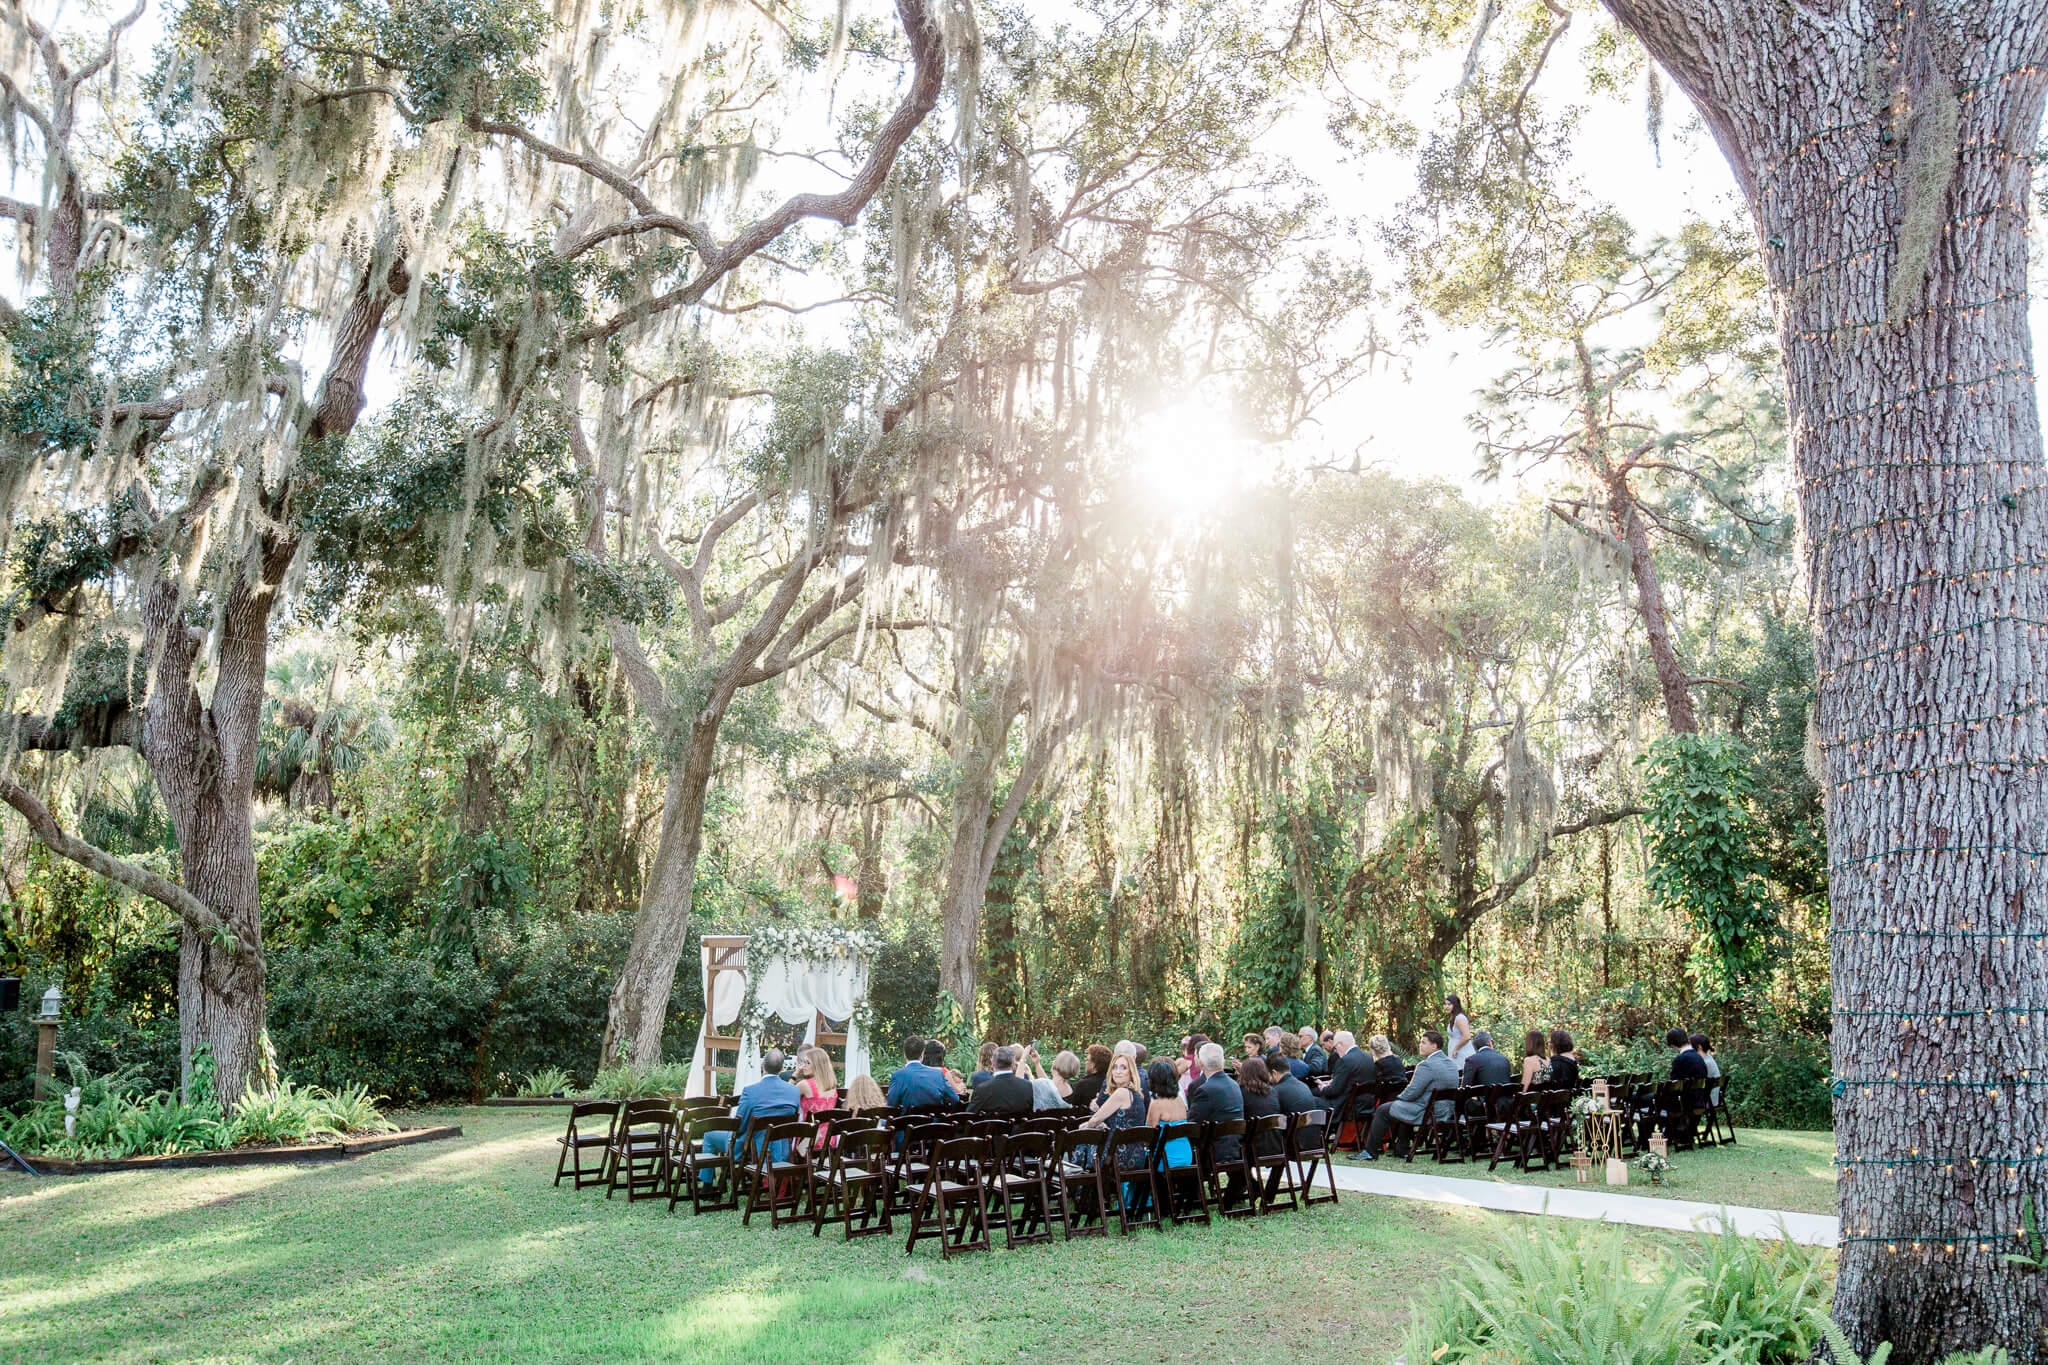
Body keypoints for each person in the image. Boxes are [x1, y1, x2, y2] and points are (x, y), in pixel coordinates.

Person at [1360, 1031, 1458, 1160]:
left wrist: (1398, 1099)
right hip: (1447, 1110)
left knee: (1383, 1110)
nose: (1420, 1045)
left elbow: (1412, 1092)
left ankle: (1370, 1152)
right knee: (1404, 1108)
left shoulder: (1426, 1065)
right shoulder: (1451, 1063)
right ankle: (1402, 1149)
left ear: (1434, 1046)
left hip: (1429, 1111)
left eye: (1423, 1043)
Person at [1188, 1042, 1247, 1206]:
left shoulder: (1205, 1090)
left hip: (1214, 1151)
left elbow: (1193, 1124)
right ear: (1222, 1062)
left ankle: (1189, 1196)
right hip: (1236, 1145)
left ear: (1200, 1063)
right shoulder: (1234, 1084)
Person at [1079, 1053, 1148, 1174]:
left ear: (1131, 1072)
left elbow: (1095, 1119)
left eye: (1123, 1068)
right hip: (1136, 1156)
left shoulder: (1121, 1092)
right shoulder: (1137, 1095)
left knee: (1082, 1141)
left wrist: (1084, 1127)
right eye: (1115, 1067)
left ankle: (1077, 1187)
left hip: (1117, 1158)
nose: (1118, 1071)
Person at [733, 1049, 803, 1160]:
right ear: (781, 1068)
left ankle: (704, 1177)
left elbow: (740, 1126)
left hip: (753, 1148)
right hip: (782, 1150)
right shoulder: (794, 1091)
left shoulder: (750, 1091)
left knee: (710, 1136)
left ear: (762, 1065)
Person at [887, 1040, 961, 1110]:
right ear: (922, 1054)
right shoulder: (939, 1074)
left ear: (904, 1054)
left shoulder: (898, 1075)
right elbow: (955, 1099)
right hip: (934, 1122)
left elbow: (891, 1104)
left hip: (908, 1122)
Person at [1320, 1030, 1376, 1121]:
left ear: (1340, 1044)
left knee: (1310, 1101)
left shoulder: (1345, 1060)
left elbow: (1334, 1091)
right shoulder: (1368, 1057)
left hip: (1345, 1107)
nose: (1336, 1051)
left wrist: (1323, 1087)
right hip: (1366, 1104)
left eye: (1335, 1047)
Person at [970, 1046, 1035, 1114]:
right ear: (1013, 1064)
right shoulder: (1027, 1086)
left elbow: (970, 1115)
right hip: (1020, 1124)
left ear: (992, 1063)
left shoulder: (982, 1089)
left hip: (992, 1124)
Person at [1268, 1050, 1319, 1115]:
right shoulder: (1304, 1086)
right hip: (1312, 1123)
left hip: (1294, 1124)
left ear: (1274, 1073)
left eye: (1269, 1075)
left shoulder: (1276, 1091)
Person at [1019, 1045, 1069, 1110]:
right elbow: (1048, 1084)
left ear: (1054, 1068)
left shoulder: (1042, 1084)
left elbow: (1019, 1084)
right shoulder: (1070, 1089)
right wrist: (1037, 1064)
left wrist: (1023, 1058)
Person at [1069, 1044, 1112, 1110]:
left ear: (1094, 1064)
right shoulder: (1111, 1083)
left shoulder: (1083, 1085)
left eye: (1087, 1060)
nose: (1085, 1062)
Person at [1446, 994, 1475, 1066]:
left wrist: (1456, 1048)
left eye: (1449, 1004)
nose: (1446, 1007)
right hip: (1456, 1053)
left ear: (1455, 1005)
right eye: (1446, 1004)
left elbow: (1467, 1036)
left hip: (1462, 1052)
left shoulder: (1460, 1018)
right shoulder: (1454, 1017)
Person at [1694, 1033, 1721, 1107]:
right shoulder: (1708, 1057)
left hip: (1708, 1101)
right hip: (1713, 1099)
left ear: (1699, 1047)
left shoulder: (1705, 1063)